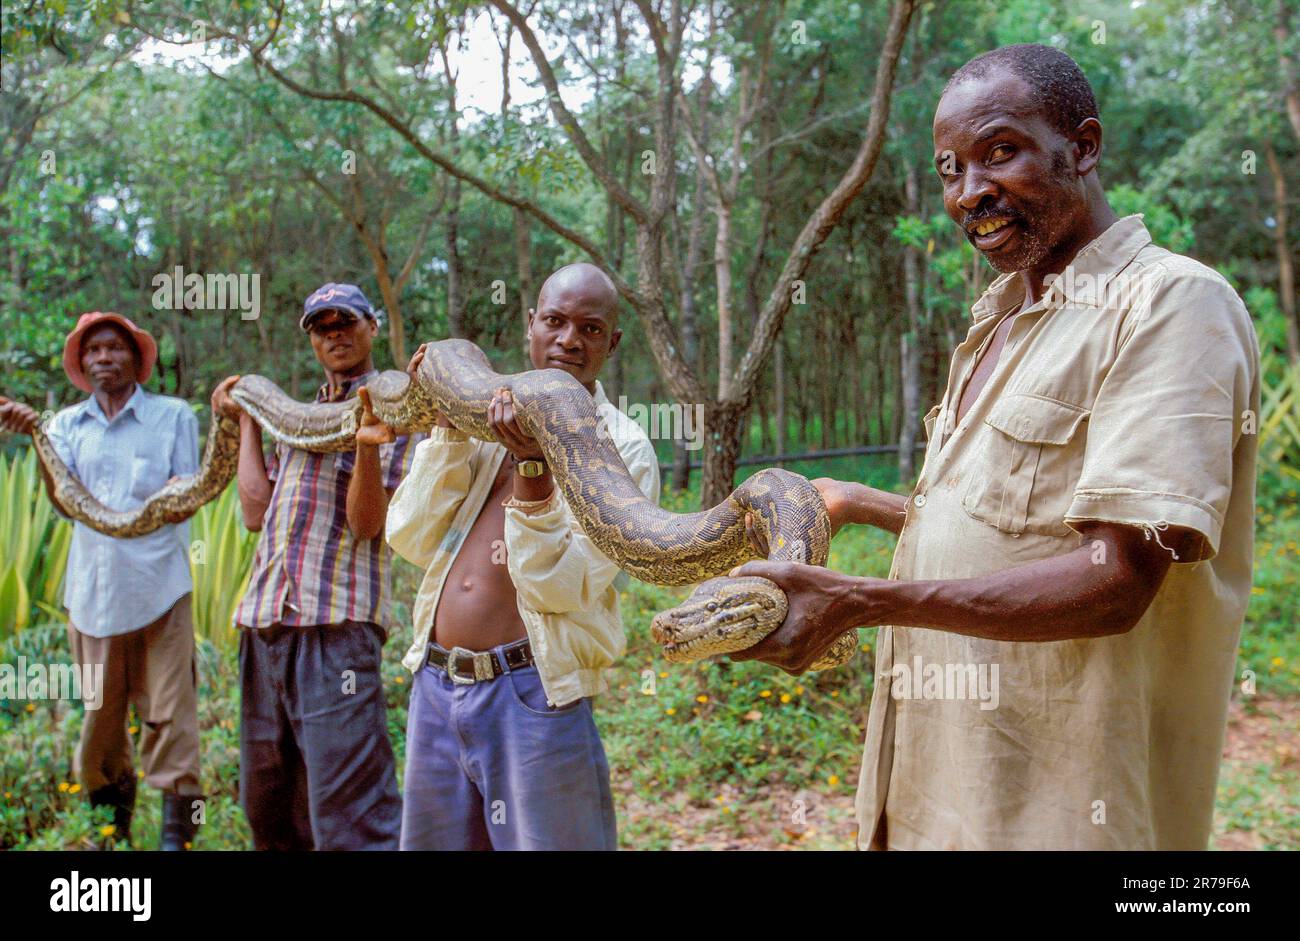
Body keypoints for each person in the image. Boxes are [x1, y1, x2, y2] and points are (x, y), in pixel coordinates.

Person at [731, 44, 1260, 850]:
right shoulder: (998, 320)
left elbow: (1117, 578)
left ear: (1081, 146)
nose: (970, 191)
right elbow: (1014, 522)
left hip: (1058, 810)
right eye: (950, 168)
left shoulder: (1170, 305)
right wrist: (864, 504)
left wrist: (859, 601)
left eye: (999, 152)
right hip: (936, 792)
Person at [385, 262, 659, 850]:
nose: (568, 340)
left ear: (611, 344)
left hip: (533, 695)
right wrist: (450, 429)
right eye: (555, 322)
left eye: (589, 329)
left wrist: (533, 473)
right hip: (435, 684)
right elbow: (408, 537)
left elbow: (561, 590)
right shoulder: (482, 417)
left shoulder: (623, 448)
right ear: (531, 325)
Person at [211, 283, 418, 850]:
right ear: (312, 339)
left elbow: (369, 526)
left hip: (335, 629)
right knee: (270, 807)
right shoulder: (299, 416)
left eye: (345, 321)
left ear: (371, 327)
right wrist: (251, 416)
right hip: (263, 625)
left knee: (351, 813)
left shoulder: (395, 405)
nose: (335, 333)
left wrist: (368, 447)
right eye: (322, 326)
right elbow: (254, 511)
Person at [0, 312, 205, 850]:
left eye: (115, 348)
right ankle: (109, 837)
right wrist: (37, 438)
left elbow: (184, 499)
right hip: (93, 595)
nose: (104, 358)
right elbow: (64, 504)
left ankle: (175, 840)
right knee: (100, 721)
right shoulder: (65, 426)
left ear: (136, 359)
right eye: (93, 352)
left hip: (162, 591)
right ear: (81, 365)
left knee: (170, 717)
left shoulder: (174, 416)